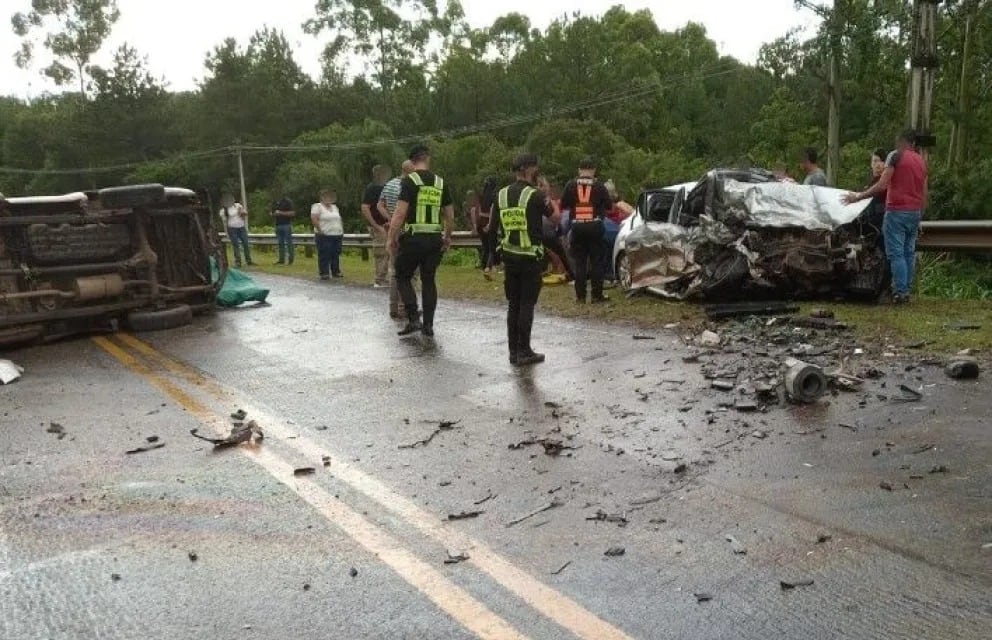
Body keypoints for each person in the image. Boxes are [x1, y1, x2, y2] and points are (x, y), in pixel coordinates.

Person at [844, 130, 928, 304]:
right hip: (914, 212)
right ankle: (906, 289)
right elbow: (924, 191)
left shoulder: (895, 156)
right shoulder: (921, 161)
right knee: (908, 253)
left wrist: (858, 197)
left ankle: (900, 292)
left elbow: (882, 185)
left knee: (896, 253)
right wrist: (920, 215)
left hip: (896, 211)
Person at [493, 154, 557, 366]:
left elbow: (493, 226)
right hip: (530, 257)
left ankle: (513, 351)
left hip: (509, 256)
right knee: (527, 304)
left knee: (514, 304)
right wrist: (547, 194)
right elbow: (555, 219)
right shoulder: (536, 195)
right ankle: (524, 350)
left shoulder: (501, 195)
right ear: (529, 169)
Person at [387, 144, 454, 338]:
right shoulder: (440, 183)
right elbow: (450, 216)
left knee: (402, 275)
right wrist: (447, 237)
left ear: (412, 160)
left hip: (414, 238)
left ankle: (413, 318)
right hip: (434, 238)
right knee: (429, 279)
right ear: (427, 158)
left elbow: (399, 213)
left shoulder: (409, 181)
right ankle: (429, 325)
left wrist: (391, 238)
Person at [560, 158, 613, 303]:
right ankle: (597, 295)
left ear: (579, 170)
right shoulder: (599, 186)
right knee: (597, 261)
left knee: (580, 262)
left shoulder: (570, 185)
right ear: (594, 170)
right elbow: (609, 206)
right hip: (595, 225)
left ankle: (580, 296)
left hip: (577, 225)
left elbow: (563, 203)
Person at [378, 160, 416, 319]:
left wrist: (390, 217)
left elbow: (380, 205)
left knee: (395, 271)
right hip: (406, 230)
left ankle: (393, 307)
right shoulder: (410, 185)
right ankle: (404, 307)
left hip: (393, 230)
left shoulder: (390, 184)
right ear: (411, 171)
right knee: (409, 273)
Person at [362, 164, 392, 288]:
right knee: (381, 252)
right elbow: (365, 207)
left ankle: (383, 277)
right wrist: (375, 225)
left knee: (389, 252)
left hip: (388, 224)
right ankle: (379, 279)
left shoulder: (387, 187)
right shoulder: (372, 188)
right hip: (378, 226)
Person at [311, 189, 344, 280]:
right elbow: (314, 219)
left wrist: (341, 229)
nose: (328, 198)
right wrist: (320, 230)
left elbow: (339, 219)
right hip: (324, 234)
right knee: (325, 253)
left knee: (335, 253)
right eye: (326, 196)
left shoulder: (335, 207)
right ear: (322, 197)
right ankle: (324, 272)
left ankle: (336, 271)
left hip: (337, 234)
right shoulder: (317, 206)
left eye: (330, 197)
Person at [219, 193, 253, 268]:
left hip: (241, 227)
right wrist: (226, 232)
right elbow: (224, 222)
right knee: (236, 245)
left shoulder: (237, 205)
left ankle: (249, 260)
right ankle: (238, 261)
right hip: (232, 228)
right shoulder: (223, 211)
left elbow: (245, 214)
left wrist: (241, 212)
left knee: (246, 243)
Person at [479, 176, 500, 281]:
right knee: (492, 246)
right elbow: (493, 210)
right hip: (489, 221)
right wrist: (490, 224)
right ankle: (488, 267)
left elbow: (478, 209)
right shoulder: (494, 196)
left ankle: (483, 264)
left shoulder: (482, 195)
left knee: (485, 245)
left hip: (480, 221)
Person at [272, 196, 295, 265]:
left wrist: (281, 213)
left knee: (289, 243)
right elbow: (272, 212)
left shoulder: (287, 201)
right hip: (278, 225)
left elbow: (292, 213)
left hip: (286, 225)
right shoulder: (275, 203)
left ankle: (290, 259)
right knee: (280, 243)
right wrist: (273, 214)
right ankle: (281, 259)